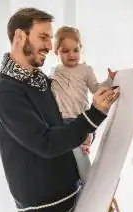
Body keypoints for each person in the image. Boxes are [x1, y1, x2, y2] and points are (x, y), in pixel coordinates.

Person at [0, 7, 119, 212]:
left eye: (50, 37)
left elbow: (62, 132)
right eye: (43, 37)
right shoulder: (6, 92)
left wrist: (86, 135)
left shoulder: (40, 81)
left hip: (73, 197)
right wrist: (94, 114)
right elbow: (46, 143)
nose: (50, 46)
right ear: (20, 36)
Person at [49, 26, 117, 183]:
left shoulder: (85, 69)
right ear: (56, 51)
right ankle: (79, 183)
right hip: (62, 122)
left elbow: (96, 89)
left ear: (81, 49)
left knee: (81, 152)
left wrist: (110, 80)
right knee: (68, 159)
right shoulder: (54, 72)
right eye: (65, 51)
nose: (72, 55)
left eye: (75, 50)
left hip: (82, 120)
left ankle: (89, 183)